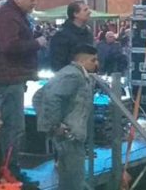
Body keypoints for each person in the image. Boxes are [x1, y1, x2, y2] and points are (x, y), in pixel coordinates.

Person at [0, 0, 47, 176]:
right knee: (13, 128)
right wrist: (36, 43)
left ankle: (7, 170)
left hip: (9, 78)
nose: (34, 3)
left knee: (11, 128)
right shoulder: (8, 17)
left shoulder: (11, 15)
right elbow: (10, 46)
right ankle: (9, 171)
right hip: (8, 79)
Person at [34, 44, 99, 190]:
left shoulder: (75, 74)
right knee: (73, 181)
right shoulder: (73, 75)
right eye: (93, 60)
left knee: (71, 180)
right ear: (81, 61)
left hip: (71, 136)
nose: (97, 64)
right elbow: (48, 97)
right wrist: (55, 125)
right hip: (70, 137)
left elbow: (40, 96)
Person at [49, 0, 94, 72]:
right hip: (69, 77)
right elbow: (57, 63)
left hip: (87, 77)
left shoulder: (88, 33)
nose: (89, 12)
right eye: (85, 10)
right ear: (75, 14)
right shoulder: (61, 35)